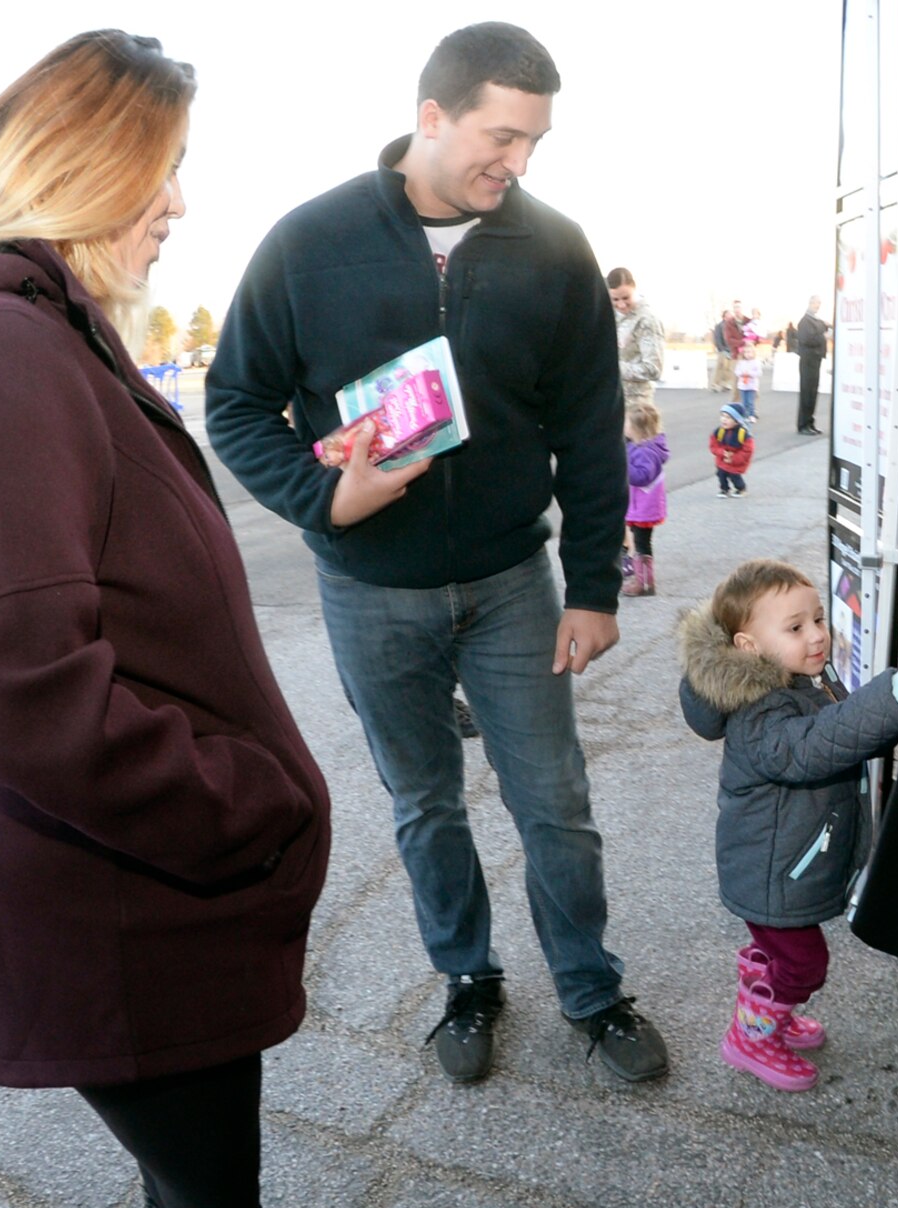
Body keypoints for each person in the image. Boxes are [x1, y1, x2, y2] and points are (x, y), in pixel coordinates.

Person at [0, 32, 358, 1208]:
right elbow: (28, 690)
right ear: (85, 166)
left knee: (194, 1160)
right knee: (213, 1176)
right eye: (164, 170)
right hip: (124, 876)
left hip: (130, 867)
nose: (178, 203)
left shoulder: (32, 330)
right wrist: (242, 806)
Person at [207, 22, 670, 1087]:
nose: (517, 164)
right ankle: (468, 979)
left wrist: (595, 586)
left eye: (535, 143)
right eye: (500, 137)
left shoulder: (554, 249)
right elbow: (235, 404)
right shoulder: (307, 240)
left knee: (554, 804)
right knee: (424, 804)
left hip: (515, 584)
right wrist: (326, 498)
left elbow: (591, 431)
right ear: (431, 116)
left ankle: (590, 989)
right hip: (370, 591)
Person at [677, 559, 898, 1090]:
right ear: (748, 646)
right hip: (773, 872)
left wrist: (892, 707)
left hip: (781, 861)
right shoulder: (761, 711)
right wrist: (894, 701)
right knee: (804, 965)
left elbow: (840, 729)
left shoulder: (801, 678)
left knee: (780, 954)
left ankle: (765, 998)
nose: (818, 635)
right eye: (796, 627)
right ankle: (751, 1035)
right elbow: (812, 749)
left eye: (819, 619)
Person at [621, 401, 668, 597]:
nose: (623, 426)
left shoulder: (646, 452)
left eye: (626, 423)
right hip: (641, 506)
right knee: (641, 542)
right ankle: (644, 580)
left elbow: (642, 476)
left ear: (637, 429)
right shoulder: (639, 446)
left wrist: (621, 466)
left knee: (642, 544)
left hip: (645, 508)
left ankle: (644, 583)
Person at [606, 266, 664, 409]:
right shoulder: (609, 315)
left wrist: (612, 367)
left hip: (636, 405)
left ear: (634, 289)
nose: (621, 304)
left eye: (626, 298)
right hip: (610, 399)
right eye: (615, 299)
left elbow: (653, 369)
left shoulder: (647, 320)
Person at [796, 296, 829, 435]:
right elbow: (807, 339)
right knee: (807, 393)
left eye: (819, 303)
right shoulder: (805, 322)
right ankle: (803, 424)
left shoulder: (815, 321)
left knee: (813, 392)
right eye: (816, 303)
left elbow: (824, 327)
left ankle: (810, 422)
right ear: (810, 303)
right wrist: (823, 335)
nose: (818, 306)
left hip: (815, 360)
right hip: (808, 360)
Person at [710, 403, 755, 497]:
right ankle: (724, 489)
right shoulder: (719, 432)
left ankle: (741, 488)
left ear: (737, 421)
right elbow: (713, 446)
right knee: (721, 474)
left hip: (736, 461)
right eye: (722, 416)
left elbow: (748, 451)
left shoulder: (743, 434)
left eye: (728, 418)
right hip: (722, 459)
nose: (724, 419)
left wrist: (733, 458)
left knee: (734, 475)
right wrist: (722, 453)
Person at [735, 334, 763, 421]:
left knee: (750, 402)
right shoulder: (741, 362)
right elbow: (736, 371)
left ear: (753, 353)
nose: (747, 354)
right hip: (742, 385)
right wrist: (741, 373)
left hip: (752, 386)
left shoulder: (756, 362)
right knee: (744, 402)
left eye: (750, 352)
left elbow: (759, 373)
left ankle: (751, 415)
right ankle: (745, 415)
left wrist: (750, 374)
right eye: (746, 352)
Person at [710, 308, 734, 392]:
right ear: (724, 316)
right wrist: (721, 349)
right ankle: (715, 384)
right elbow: (717, 338)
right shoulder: (719, 326)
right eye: (729, 314)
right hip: (723, 350)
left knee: (728, 368)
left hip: (731, 350)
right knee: (720, 367)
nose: (731, 316)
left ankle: (726, 384)